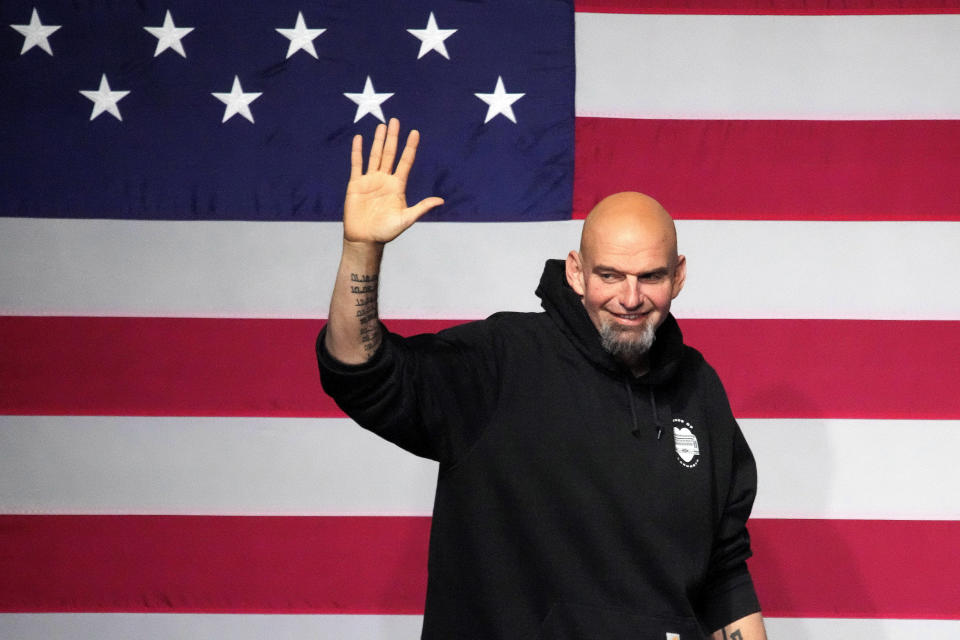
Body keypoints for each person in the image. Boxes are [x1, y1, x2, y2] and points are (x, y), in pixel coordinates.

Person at [318, 119, 767, 640]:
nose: (629, 297)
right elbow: (359, 371)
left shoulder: (699, 389)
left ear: (678, 276)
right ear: (576, 272)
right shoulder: (502, 359)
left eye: (650, 277)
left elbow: (724, 574)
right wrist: (361, 251)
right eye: (609, 275)